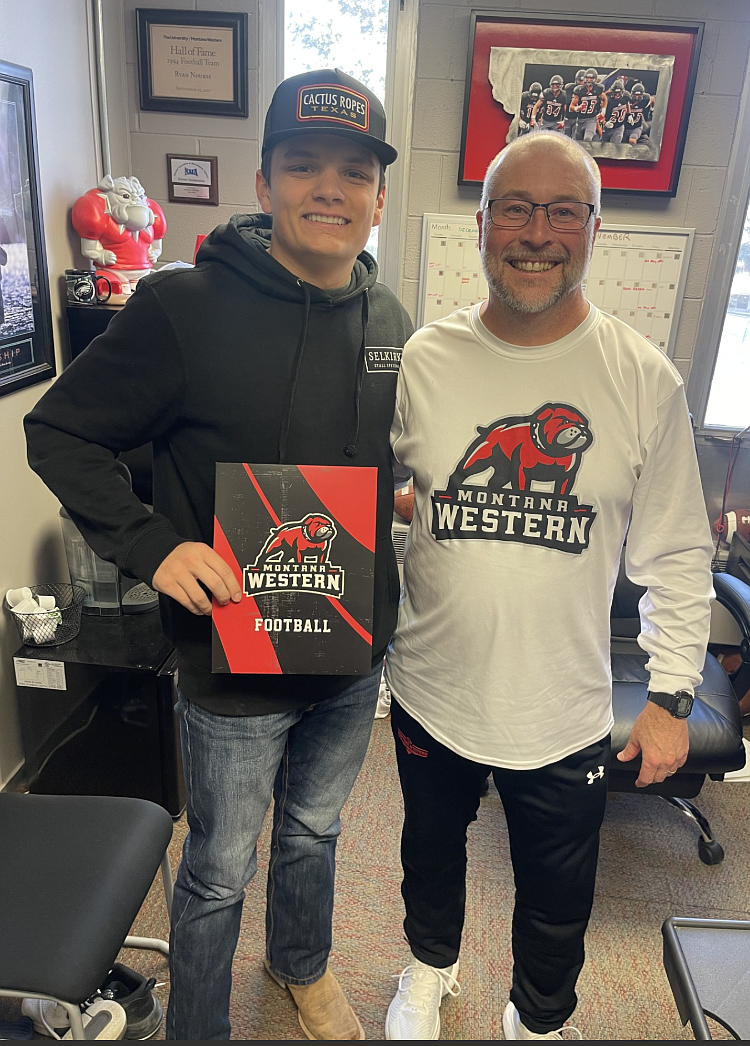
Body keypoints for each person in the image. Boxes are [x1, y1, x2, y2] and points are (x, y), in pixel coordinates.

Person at [24, 67, 412, 1041]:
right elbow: (60, 430)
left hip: (348, 654)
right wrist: (153, 546)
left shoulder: (392, 323)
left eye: (354, 171)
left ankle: (302, 967)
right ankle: (200, 1019)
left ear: (378, 196)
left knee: (316, 832)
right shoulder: (179, 308)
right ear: (263, 181)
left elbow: (382, 465)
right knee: (219, 865)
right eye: (303, 164)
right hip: (229, 661)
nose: (330, 187)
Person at [383, 132, 713, 1040]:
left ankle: (538, 1019)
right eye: (516, 209)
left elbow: (680, 556)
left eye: (562, 210)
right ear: (483, 226)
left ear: (593, 229)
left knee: (557, 893)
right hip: (430, 689)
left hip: (563, 709)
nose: (538, 232)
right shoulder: (423, 358)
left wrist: (672, 699)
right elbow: (392, 491)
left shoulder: (644, 381)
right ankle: (428, 968)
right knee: (428, 857)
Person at [570, 68, 606, 142]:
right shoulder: (580, 90)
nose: (589, 80)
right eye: (587, 78)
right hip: (580, 119)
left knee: (587, 138)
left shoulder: (598, 89)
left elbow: (605, 99)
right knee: (577, 141)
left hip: (591, 119)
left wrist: (603, 111)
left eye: (591, 78)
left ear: (595, 79)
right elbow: (571, 107)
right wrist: (577, 108)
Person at [601, 80, 631, 145]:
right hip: (606, 128)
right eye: (616, 93)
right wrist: (605, 123)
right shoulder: (607, 99)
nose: (617, 95)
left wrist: (629, 114)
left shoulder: (626, 96)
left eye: (619, 93)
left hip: (618, 126)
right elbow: (600, 113)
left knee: (615, 147)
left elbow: (627, 103)